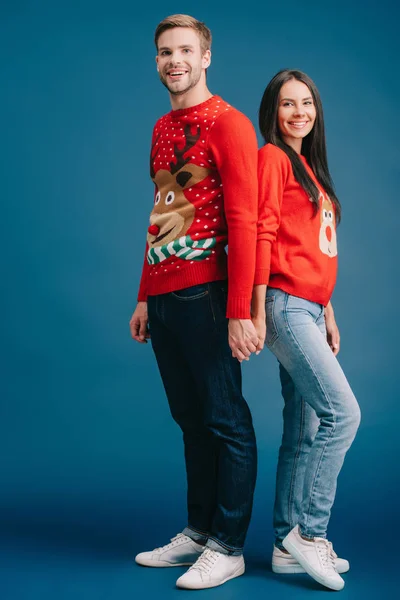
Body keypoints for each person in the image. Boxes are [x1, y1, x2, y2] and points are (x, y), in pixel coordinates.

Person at [129, 14, 260, 590]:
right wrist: (142, 296)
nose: (173, 60)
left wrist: (239, 311)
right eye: (164, 52)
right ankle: (199, 532)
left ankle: (229, 545)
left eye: (184, 50)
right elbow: (163, 212)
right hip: (164, 295)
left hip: (208, 293)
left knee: (225, 419)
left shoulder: (228, 124)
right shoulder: (161, 126)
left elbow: (245, 220)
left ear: (206, 57)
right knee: (190, 420)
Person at [251, 69, 361, 591]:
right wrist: (254, 310)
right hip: (284, 306)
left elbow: (319, 251)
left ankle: (284, 547)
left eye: (307, 104)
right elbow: (262, 233)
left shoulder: (311, 169)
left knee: (303, 432)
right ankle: (310, 534)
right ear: (273, 110)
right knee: (343, 414)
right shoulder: (272, 157)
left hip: (311, 309)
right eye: (288, 104)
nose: (299, 113)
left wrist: (329, 312)